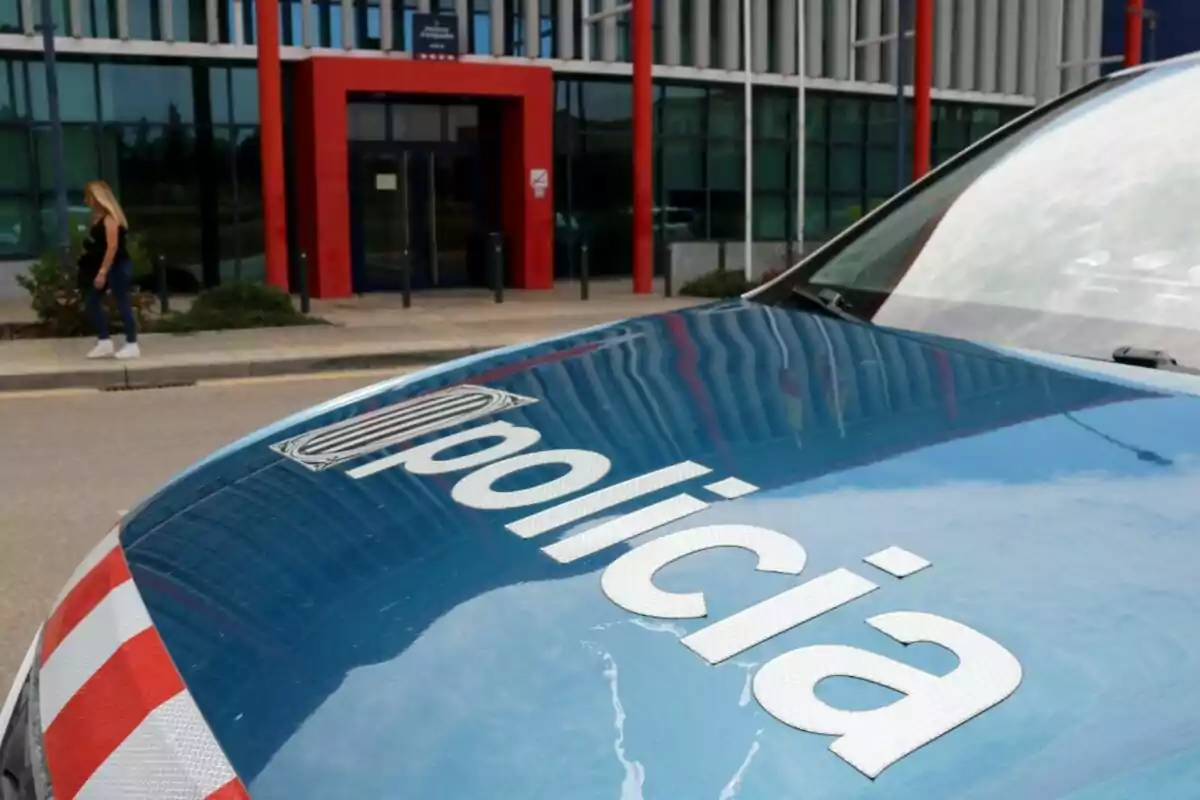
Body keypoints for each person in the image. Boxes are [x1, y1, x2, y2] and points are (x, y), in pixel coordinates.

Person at [78, 180, 139, 359]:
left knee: (122, 303)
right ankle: (104, 341)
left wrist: (102, 272)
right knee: (92, 301)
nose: (86, 201)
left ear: (97, 198)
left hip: (116, 266)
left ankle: (132, 343)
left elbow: (112, 247)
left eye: (88, 197)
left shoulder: (110, 219)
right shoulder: (97, 219)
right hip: (104, 266)